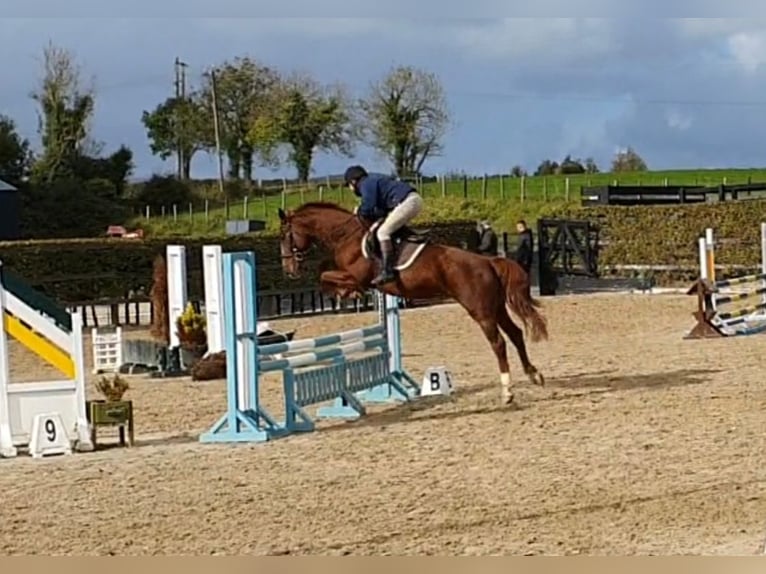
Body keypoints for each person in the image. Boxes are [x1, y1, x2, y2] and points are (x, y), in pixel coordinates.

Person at [344, 165, 424, 286]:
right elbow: (380, 211)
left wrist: (358, 211)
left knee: (383, 232)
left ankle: (388, 271)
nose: (350, 189)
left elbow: (368, 207)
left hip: (407, 202)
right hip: (410, 200)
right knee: (388, 226)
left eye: (349, 185)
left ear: (353, 181)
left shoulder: (366, 184)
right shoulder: (372, 181)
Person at [514, 220, 534, 295]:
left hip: (524, 259)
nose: (519, 229)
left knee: (523, 275)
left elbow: (524, 248)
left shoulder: (525, 236)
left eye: (520, 227)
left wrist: (522, 258)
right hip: (523, 259)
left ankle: (524, 292)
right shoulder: (525, 235)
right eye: (518, 227)